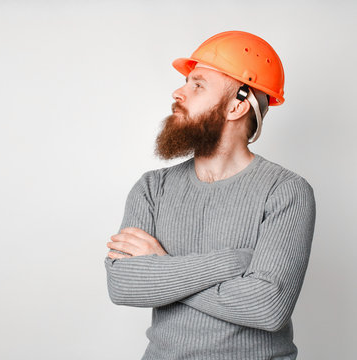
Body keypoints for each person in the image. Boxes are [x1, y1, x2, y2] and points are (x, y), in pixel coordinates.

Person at [104, 30, 316, 360]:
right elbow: (123, 286)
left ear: (237, 105)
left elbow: (267, 308)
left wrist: (161, 268)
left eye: (197, 84)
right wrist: (231, 263)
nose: (178, 92)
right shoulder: (152, 188)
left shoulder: (286, 191)